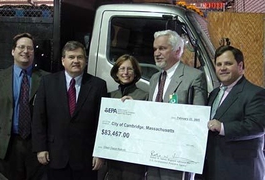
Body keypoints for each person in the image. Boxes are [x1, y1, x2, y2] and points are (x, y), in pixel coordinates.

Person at [32, 41, 108, 180]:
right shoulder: (47, 82)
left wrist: (100, 152)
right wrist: (40, 148)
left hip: (86, 158)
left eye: (80, 57)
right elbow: (39, 117)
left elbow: (102, 122)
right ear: (63, 60)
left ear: (85, 61)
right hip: (55, 155)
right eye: (71, 57)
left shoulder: (98, 85)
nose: (76, 61)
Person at [146, 30, 207, 180]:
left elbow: (198, 118)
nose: (157, 53)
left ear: (178, 50)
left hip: (178, 154)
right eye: (155, 49)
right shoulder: (154, 78)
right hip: (152, 150)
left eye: (162, 48)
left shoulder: (194, 77)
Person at [205, 45, 265, 180]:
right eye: (219, 64)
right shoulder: (215, 93)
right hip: (213, 168)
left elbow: (257, 126)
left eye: (228, 63)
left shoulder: (256, 93)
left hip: (240, 171)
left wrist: (222, 128)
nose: (222, 68)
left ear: (240, 66)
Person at [0, 32, 48, 180]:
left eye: (30, 48)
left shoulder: (47, 79)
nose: (25, 51)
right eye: (21, 47)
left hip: (36, 145)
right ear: (13, 51)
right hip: (8, 144)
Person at [105, 54, 148, 180]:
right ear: (116, 73)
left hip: (134, 155)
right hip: (113, 153)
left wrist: (135, 107)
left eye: (130, 69)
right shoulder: (109, 96)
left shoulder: (145, 96)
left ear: (135, 73)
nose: (125, 72)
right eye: (122, 69)